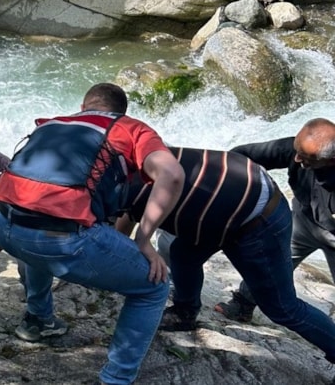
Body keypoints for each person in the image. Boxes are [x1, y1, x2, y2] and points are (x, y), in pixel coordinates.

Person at [0, 82, 185, 385]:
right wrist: (144, 240)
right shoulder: (131, 128)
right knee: (155, 286)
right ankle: (117, 378)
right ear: (122, 112)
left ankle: (38, 318)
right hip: (60, 237)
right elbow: (172, 174)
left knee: (38, 229)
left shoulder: (54, 123)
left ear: (83, 107)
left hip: (1, 221)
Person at [116, 146, 335, 363]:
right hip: (219, 211)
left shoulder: (127, 187)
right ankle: (185, 312)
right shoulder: (131, 158)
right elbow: (126, 220)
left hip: (256, 220)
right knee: (183, 254)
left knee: (282, 308)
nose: (297, 159)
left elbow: (120, 230)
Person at [215, 117, 335, 323]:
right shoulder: (297, 150)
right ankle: (243, 305)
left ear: (331, 160)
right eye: (297, 151)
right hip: (303, 221)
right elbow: (240, 155)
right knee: (268, 263)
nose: (297, 158)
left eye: (306, 157)